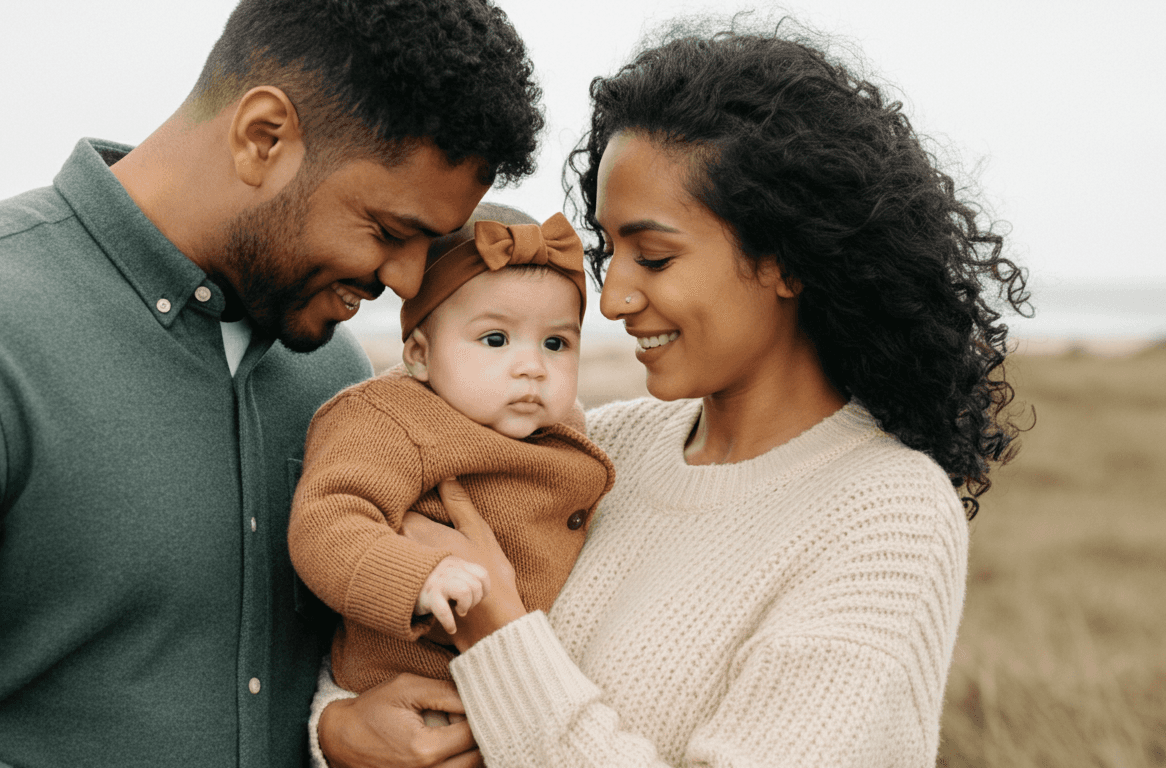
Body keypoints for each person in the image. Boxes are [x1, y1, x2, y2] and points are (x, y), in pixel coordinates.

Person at [0, 1, 542, 766]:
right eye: (390, 232)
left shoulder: (335, 378)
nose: (406, 282)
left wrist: (335, 738)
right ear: (263, 136)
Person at [313, 23, 1030, 768]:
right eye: (608, 251)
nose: (614, 297)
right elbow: (366, 637)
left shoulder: (887, 515)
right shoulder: (596, 443)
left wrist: (496, 635)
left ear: (786, 259)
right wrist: (337, 730)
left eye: (653, 257)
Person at [288, 205, 614, 700]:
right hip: (405, 688)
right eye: (496, 339)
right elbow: (328, 520)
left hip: (519, 692)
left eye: (556, 342)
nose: (532, 366)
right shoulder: (389, 418)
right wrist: (418, 577)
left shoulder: (562, 427)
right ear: (419, 354)